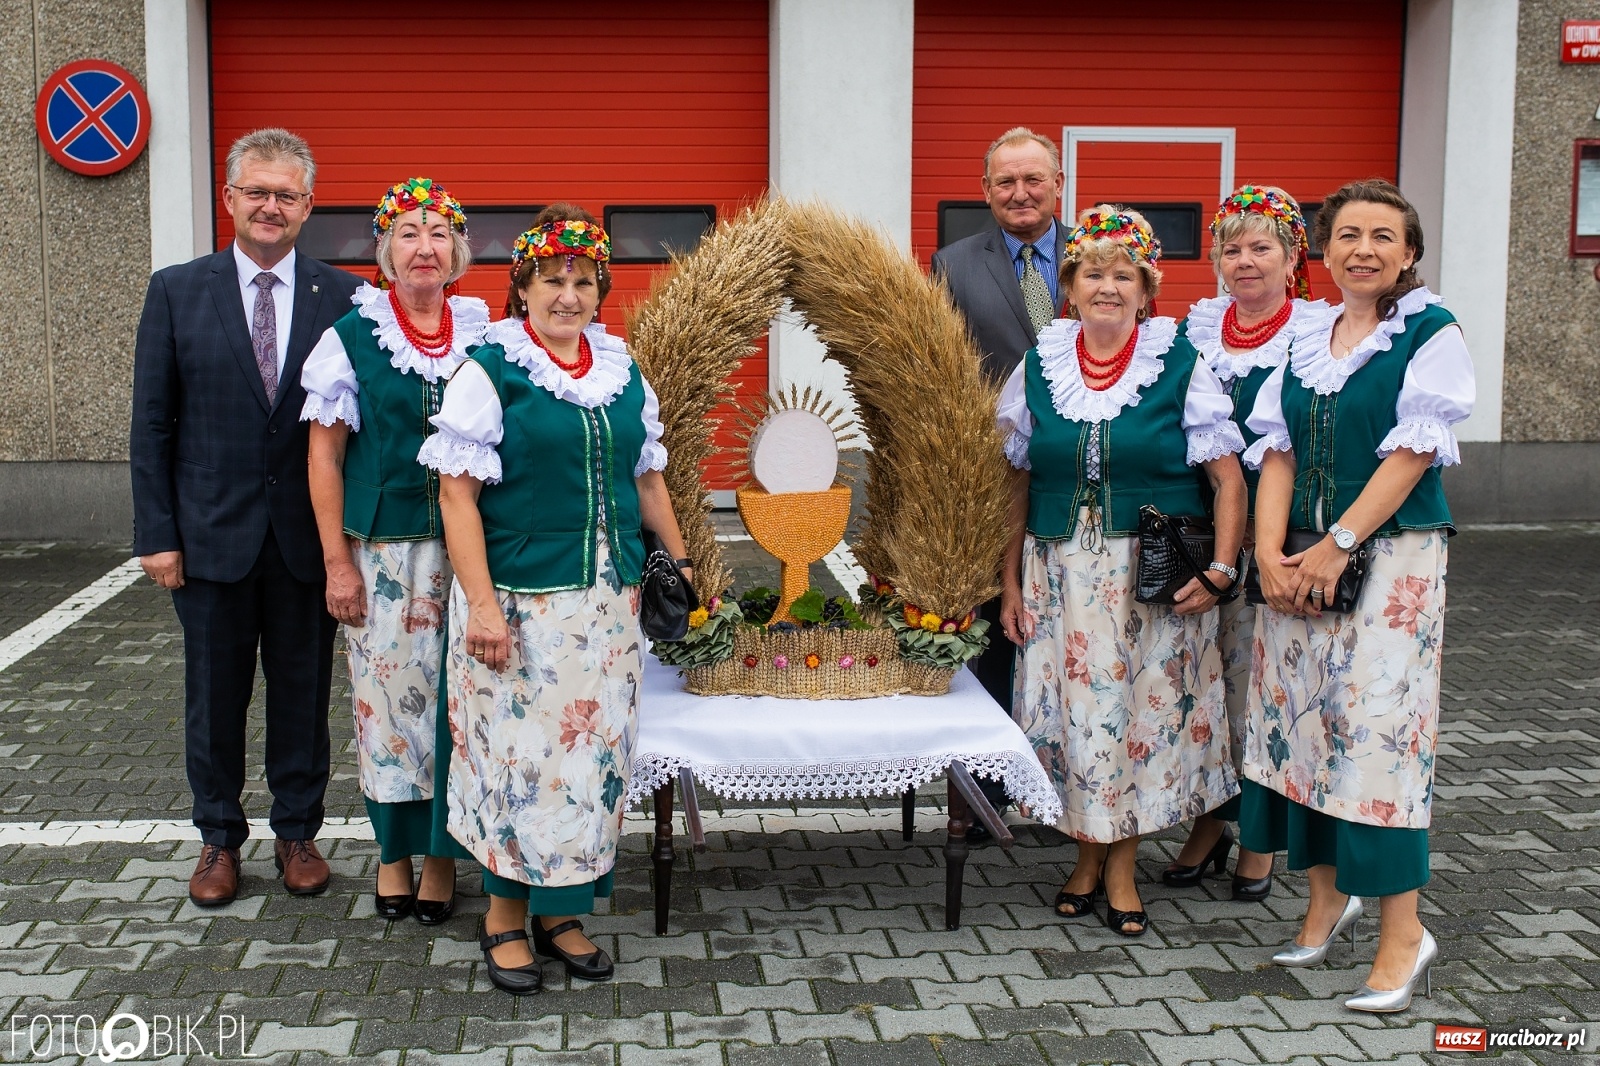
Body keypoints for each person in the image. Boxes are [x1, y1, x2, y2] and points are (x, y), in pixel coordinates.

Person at [419, 205, 694, 996]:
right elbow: (457, 497)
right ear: (524, 287)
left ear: (599, 290)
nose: (567, 295)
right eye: (551, 280)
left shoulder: (620, 370)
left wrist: (677, 567)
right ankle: (504, 915)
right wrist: (481, 607)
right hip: (523, 606)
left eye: (582, 281)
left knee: (587, 766)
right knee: (521, 766)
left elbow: (647, 479)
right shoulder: (491, 370)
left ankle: (561, 913)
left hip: (606, 613)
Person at [1241, 179, 1473, 1012]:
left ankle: (1404, 935)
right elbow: (1277, 451)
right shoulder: (1307, 338)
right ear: (1324, 249)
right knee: (1303, 729)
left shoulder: (1431, 333)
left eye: (1383, 235)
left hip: (1391, 563)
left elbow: (1413, 455)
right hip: (1300, 557)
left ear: (1409, 252)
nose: (1363, 249)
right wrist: (1267, 551)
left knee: (1378, 743)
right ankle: (1324, 901)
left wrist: (1339, 545)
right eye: (1347, 235)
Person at [997, 206, 1247, 937]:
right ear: (1068, 287)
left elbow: (1229, 481)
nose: (1107, 287)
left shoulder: (1177, 363)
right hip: (1060, 572)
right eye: (1092, 273)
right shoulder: (1039, 363)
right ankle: (1085, 856)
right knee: (1078, 721)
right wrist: (1009, 582)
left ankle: (1121, 865)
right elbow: (1015, 480)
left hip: (1151, 579)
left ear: (1146, 289)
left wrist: (1225, 569)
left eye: (1123, 275)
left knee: (1136, 722)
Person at [131, 128, 361, 906]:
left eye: (286, 194)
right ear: (229, 199)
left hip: (305, 541)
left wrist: (350, 545)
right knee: (214, 697)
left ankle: (298, 832)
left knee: (302, 694)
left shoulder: (346, 298)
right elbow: (152, 424)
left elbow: (357, 432)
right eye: (256, 191)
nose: (270, 206)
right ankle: (217, 841)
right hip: (208, 541)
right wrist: (156, 534)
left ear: (307, 205)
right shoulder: (176, 290)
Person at [301, 178, 490, 923]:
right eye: (408, 233)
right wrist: (336, 563)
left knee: (457, 706)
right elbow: (324, 459)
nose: (424, 246)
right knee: (386, 710)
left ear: (457, 253)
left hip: (470, 552)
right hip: (383, 557)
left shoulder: (484, 333)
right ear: (385, 252)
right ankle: (393, 854)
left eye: (438, 233)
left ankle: (442, 856)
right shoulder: (350, 338)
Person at [1165, 186, 1326, 901]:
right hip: (1207, 528)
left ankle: (1261, 836)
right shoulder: (1196, 331)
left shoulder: (1318, 332)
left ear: (1292, 258)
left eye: (1263, 246)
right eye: (1232, 248)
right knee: (1206, 684)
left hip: (1286, 530)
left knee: (1268, 686)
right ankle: (1213, 820)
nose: (1246, 260)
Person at [930, 127, 1071, 826]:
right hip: (993, 474)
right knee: (994, 621)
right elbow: (943, 370)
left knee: (1069, 619)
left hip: (1084, 472)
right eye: (1005, 182)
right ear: (986, 191)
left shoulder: (1102, 255)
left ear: (1058, 184)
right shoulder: (953, 264)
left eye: (1033, 180)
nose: (1020, 193)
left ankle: (1064, 773)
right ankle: (986, 784)